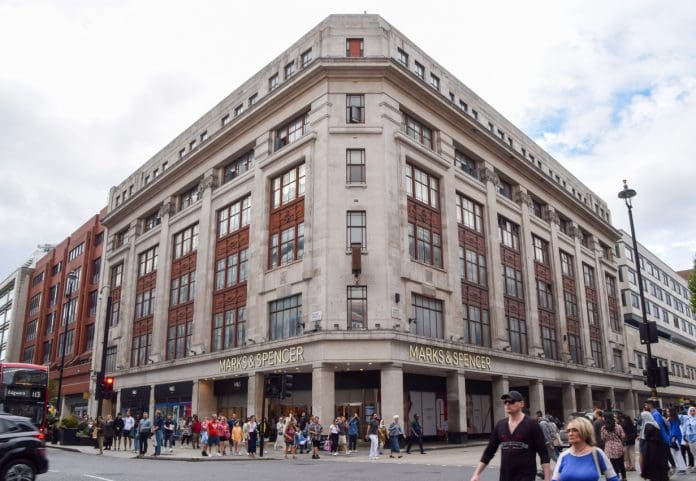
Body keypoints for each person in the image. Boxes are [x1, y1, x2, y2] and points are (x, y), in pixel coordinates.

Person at [470, 390, 551, 481]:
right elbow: (489, 451)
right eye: (505, 402)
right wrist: (476, 474)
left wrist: (547, 478)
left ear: (521, 404)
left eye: (511, 401)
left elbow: (543, 453)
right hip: (505, 477)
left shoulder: (532, 424)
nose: (507, 404)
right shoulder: (500, 425)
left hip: (526, 477)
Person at [552, 416, 619, 481]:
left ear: (585, 432)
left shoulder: (596, 453)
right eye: (568, 431)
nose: (570, 433)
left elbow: (613, 478)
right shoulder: (563, 456)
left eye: (575, 430)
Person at [640, 411, 669, 481]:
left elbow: (647, 437)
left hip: (651, 448)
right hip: (658, 447)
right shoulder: (654, 423)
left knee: (652, 463)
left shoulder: (647, 425)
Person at [601, 413, 626, 481]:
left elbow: (603, 438)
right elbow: (623, 436)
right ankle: (624, 477)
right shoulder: (618, 426)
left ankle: (616, 477)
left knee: (612, 464)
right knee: (621, 464)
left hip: (609, 448)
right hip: (618, 446)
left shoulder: (604, 428)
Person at [667, 407, 687, 475]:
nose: (667, 413)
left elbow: (674, 429)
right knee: (677, 454)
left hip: (675, 439)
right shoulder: (673, 419)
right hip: (674, 438)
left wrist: (673, 438)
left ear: (671, 412)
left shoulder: (673, 419)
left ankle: (682, 469)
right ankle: (681, 468)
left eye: (668, 412)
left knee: (678, 454)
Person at [683, 406, 696, 472]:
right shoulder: (687, 419)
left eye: (694, 411)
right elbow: (684, 429)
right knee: (693, 453)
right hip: (689, 439)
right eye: (691, 411)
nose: (692, 412)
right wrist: (685, 439)